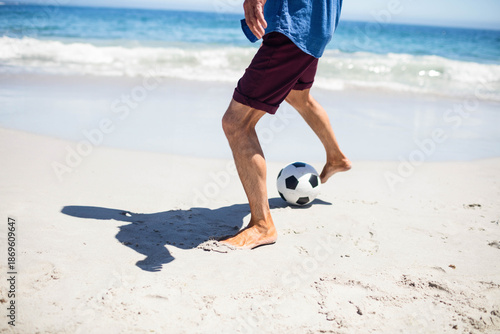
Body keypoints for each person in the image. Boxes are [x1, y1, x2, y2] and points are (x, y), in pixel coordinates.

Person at [220, 0, 351, 249]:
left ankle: (262, 225)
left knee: (236, 123)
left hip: (294, 28)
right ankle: (336, 158)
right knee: (298, 95)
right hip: (316, 27)